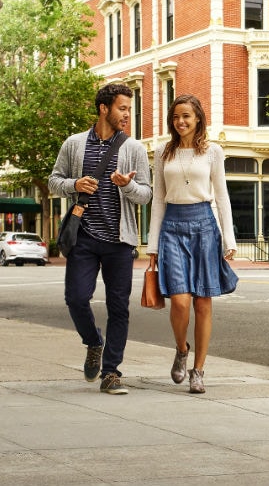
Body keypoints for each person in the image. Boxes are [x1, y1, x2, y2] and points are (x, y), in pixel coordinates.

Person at [48, 83, 153, 394]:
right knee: (76, 298)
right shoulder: (74, 144)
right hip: (84, 237)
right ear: (104, 108)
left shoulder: (133, 149)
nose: (127, 115)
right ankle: (94, 342)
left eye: (128, 109)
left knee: (118, 307)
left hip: (120, 242)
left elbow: (146, 195)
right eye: (122, 108)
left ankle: (111, 373)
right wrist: (75, 183)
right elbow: (54, 180)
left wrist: (126, 186)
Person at [147, 94, 238, 394]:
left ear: (198, 118)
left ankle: (198, 370)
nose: (180, 121)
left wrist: (229, 238)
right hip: (172, 226)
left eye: (186, 116)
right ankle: (181, 348)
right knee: (181, 301)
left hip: (204, 226)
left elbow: (222, 196)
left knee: (202, 303)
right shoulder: (163, 152)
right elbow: (158, 200)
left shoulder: (213, 152)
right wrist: (153, 248)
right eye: (176, 117)